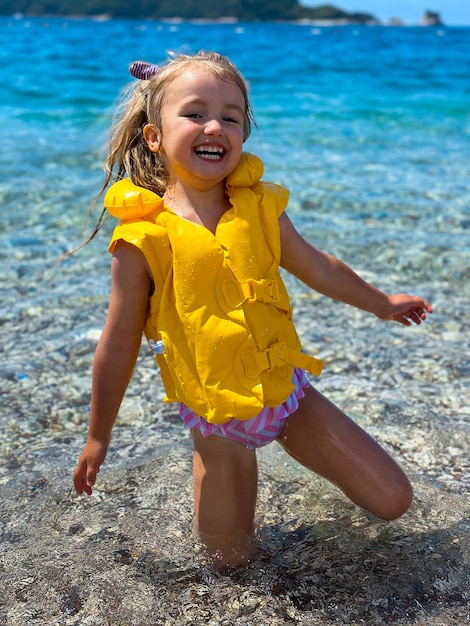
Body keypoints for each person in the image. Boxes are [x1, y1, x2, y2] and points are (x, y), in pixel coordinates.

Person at [73, 51, 433, 569]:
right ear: (155, 136)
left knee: (394, 500)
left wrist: (382, 303)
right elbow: (118, 341)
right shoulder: (143, 239)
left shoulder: (259, 209)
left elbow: (321, 269)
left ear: (243, 132)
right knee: (228, 565)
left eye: (231, 116)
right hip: (217, 422)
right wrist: (97, 435)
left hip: (287, 394)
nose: (214, 125)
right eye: (194, 114)